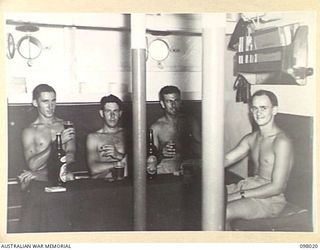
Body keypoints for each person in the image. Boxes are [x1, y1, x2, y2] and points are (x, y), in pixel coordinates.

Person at [224, 90, 293, 230]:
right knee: (206, 200)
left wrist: (238, 195)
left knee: (222, 212)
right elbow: (225, 159)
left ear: (274, 110)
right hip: (250, 186)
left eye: (263, 108)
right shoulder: (252, 138)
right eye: (255, 108)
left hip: (270, 199)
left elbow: (277, 187)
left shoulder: (281, 142)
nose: (258, 113)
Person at [19, 84, 75, 188]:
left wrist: (40, 174)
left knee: (70, 176)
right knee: (26, 181)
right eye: (45, 101)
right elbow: (32, 165)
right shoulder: (29, 131)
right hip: (40, 182)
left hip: (55, 176)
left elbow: (71, 157)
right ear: (35, 103)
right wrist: (57, 143)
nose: (50, 106)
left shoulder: (65, 125)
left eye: (53, 101)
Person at [150, 85, 201, 174]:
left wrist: (191, 147)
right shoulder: (156, 127)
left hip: (189, 164)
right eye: (169, 101)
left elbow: (202, 145)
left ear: (180, 102)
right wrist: (162, 153)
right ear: (162, 104)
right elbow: (152, 156)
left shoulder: (190, 121)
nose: (173, 105)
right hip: (168, 165)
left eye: (176, 100)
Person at [86, 94, 128, 179]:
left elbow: (138, 164)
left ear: (120, 113)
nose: (112, 116)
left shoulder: (128, 134)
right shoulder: (93, 137)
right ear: (102, 113)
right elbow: (93, 169)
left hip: (125, 182)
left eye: (115, 111)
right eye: (108, 111)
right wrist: (118, 164)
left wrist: (118, 155)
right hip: (103, 184)